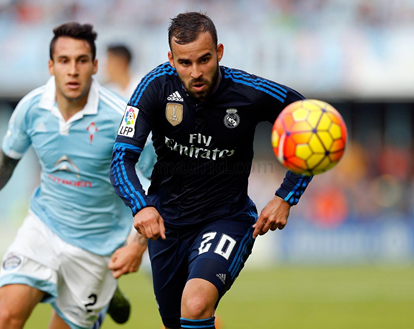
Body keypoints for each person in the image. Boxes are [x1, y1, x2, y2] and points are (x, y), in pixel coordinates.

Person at [109, 12, 313, 329]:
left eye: (204, 60)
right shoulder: (154, 87)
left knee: (196, 303)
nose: (196, 72)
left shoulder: (248, 92)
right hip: (167, 224)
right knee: (179, 322)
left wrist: (286, 195)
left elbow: (310, 124)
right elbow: (121, 157)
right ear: (171, 59)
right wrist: (141, 207)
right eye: (185, 63)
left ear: (219, 52)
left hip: (226, 218)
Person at [0, 22, 153, 329]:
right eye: (64, 61)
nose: (73, 70)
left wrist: (136, 245)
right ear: (51, 66)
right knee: (6, 317)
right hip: (44, 227)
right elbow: (8, 156)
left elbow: (155, 182)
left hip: (98, 245)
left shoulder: (121, 116)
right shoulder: (31, 107)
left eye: (81, 61)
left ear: (95, 66)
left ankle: (102, 299)